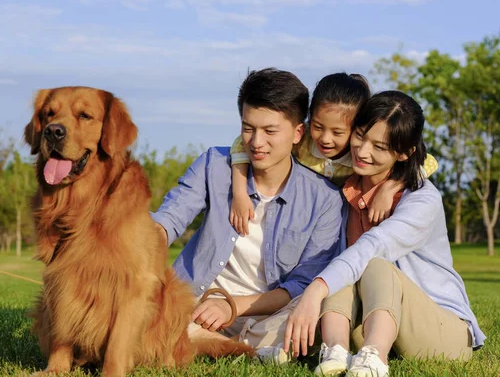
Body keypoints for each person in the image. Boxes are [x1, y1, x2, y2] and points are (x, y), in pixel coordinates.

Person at [283, 91, 485, 377]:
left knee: (371, 261)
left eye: (379, 146)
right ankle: (336, 352)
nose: (363, 151)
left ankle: (374, 359)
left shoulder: (421, 200)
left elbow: (373, 246)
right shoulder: (345, 189)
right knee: (342, 265)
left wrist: (316, 291)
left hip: (443, 333)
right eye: (361, 136)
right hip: (376, 320)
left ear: (404, 153)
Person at [151, 68, 347, 347]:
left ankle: (206, 340)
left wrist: (230, 306)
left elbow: (302, 283)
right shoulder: (214, 165)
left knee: (308, 316)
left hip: (266, 313)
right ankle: (205, 337)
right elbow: (170, 217)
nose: (256, 142)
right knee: (151, 303)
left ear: (297, 133)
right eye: (248, 128)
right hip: (193, 303)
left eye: (270, 131)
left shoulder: (324, 199)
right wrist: (145, 242)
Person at [229, 73, 438, 237]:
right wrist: (240, 193)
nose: (325, 139)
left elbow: (428, 163)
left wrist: (389, 187)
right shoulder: (302, 142)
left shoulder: (359, 156)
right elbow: (241, 143)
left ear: (357, 127)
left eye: (338, 132)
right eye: (318, 126)